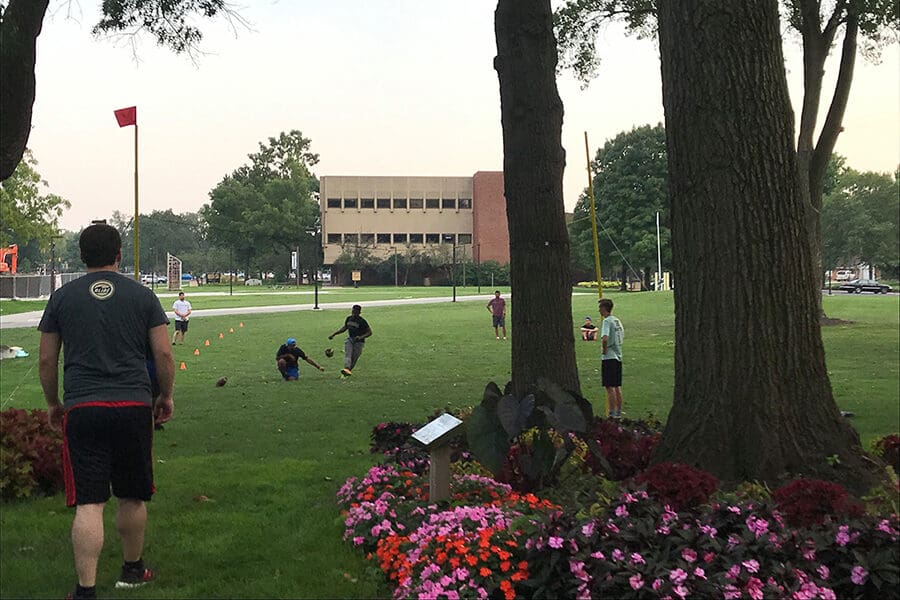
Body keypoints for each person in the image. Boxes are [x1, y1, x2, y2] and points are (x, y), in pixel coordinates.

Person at [37, 223, 174, 600]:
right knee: (132, 495)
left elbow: (47, 359)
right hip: (132, 405)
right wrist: (165, 395)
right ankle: (132, 571)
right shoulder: (144, 297)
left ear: (82, 256)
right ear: (118, 254)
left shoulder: (62, 298)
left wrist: (53, 403)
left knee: (89, 502)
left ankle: (85, 591)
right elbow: (163, 353)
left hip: (83, 407)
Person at [598, 298, 625, 419]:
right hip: (618, 355)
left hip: (609, 357)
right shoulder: (617, 321)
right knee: (617, 385)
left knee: (610, 387)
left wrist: (604, 349)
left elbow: (605, 338)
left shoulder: (607, 321)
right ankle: (618, 411)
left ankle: (612, 413)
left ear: (604, 308)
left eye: (600, 307)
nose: (599, 310)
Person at [328, 304, 372, 377]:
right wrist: (334, 334)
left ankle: (347, 372)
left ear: (359, 312)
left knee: (354, 358)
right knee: (348, 354)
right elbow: (344, 328)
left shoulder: (362, 321)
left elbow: (369, 332)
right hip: (350, 340)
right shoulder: (349, 318)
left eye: (355, 311)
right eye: (353, 311)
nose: (353, 313)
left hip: (359, 342)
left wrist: (361, 337)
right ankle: (346, 368)